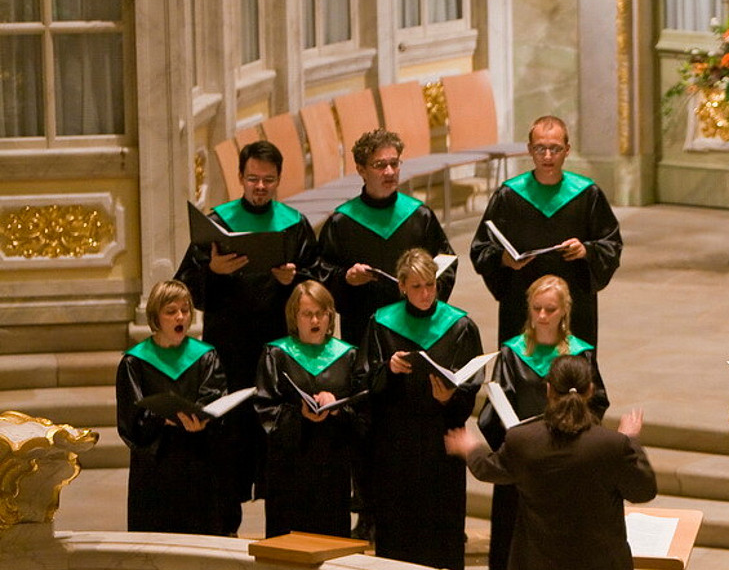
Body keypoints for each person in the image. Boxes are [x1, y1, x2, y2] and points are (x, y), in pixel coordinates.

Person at [174, 139, 319, 534]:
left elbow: (318, 288)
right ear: (239, 177)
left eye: (268, 180)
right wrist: (214, 272)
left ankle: (283, 537)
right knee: (228, 447)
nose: (259, 187)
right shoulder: (218, 222)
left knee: (277, 445)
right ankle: (224, 534)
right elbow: (183, 291)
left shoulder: (293, 224)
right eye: (252, 178)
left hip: (279, 355)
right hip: (229, 352)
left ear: (278, 181)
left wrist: (295, 280)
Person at [444, 356, 656, 570]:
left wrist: (472, 448)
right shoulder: (612, 445)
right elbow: (644, 490)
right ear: (590, 390)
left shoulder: (522, 440)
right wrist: (631, 440)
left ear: (548, 390)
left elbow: (489, 469)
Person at [353, 248, 484, 570]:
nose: (425, 294)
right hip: (396, 442)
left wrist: (449, 398)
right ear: (401, 286)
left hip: (441, 440)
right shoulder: (382, 324)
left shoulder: (459, 326)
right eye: (416, 287)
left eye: (430, 285)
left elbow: (471, 382)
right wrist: (388, 369)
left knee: (441, 525)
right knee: (399, 527)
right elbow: (363, 380)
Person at [478, 275, 610, 570]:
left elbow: (598, 402)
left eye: (550, 309)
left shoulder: (579, 354)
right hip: (523, 460)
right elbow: (493, 408)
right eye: (536, 308)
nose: (541, 316)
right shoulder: (512, 353)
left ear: (564, 311)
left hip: (565, 460)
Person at [471, 116, 623, 346]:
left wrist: (586, 250)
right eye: (540, 148)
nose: (548, 156)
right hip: (521, 301)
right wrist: (503, 258)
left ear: (567, 150)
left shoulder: (586, 194)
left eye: (555, 149)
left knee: (571, 371)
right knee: (521, 366)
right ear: (530, 150)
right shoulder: (509, 195)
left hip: (574, 301)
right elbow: (481, 248)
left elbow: (611, 244)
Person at [317, 128, 456, 346]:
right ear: (361, 170)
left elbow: (446, 261)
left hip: (414, 325)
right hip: (363, 328)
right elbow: (320, 271)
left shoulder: (419, 215)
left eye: (395, 163)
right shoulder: (342, 222)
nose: (390, 172)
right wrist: (346, 277)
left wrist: (425, 294)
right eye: (380, 165)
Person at [115, 280, 230, 535]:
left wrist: (204, 418)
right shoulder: (135, 362)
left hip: (199, 461)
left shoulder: (205, 356)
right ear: (156, 317)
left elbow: (214, 397)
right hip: (156, 467)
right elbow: (129, 420)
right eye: (171, 311)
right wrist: (161, 419)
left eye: (185, 310)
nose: (181, 317)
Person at [254, 280, 362, 538]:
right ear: (295, 317)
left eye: (321, 313)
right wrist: (298, 414)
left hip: (332, 466)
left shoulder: (348, 356)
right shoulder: (276, 354)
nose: (315, 320)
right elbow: (265, 408)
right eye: (307, 314)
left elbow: (362, 411)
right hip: (289, 467)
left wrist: (336, 408)